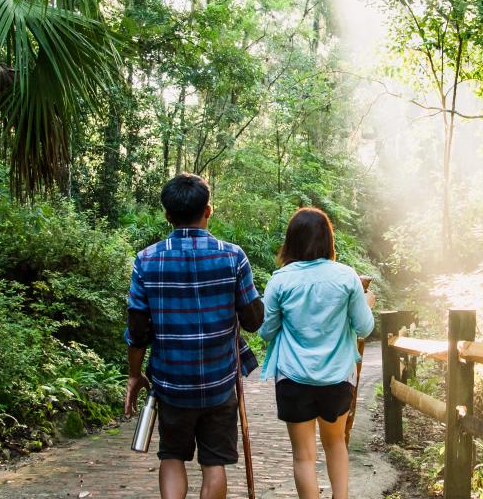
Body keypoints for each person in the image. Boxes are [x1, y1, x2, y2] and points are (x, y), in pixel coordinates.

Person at [125, 173, 264, 499]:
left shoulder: (145, 261)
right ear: (208, 211)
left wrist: (134, 374)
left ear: (167, 215)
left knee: (172, 456)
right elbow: (254, 320)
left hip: (171, 385)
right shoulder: (233, 257)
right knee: (213, 464)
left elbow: (137, 330)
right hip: (218, 384)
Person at [257, 207, 376, 499]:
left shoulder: (280, 280)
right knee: (336, 444)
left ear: (291, 241)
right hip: (336, 377)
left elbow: (266, 331)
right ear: (328, 240)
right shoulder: (347, 277)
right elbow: (364, 327)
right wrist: (366, 302)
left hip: (293, 379)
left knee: (303, 456)